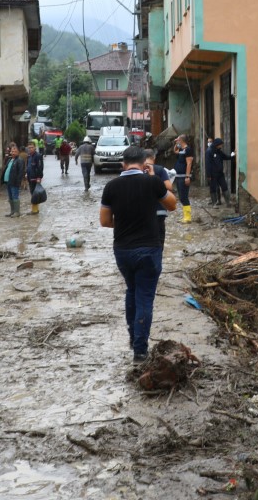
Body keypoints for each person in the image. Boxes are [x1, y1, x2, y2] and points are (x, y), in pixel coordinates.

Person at [100, 145, 177, 363]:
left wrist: (125, 223)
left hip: (122, 250)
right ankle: (140, 350)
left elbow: (105, 221)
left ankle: (134, 338)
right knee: (145, 297)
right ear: (144, 164)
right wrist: (153, 177)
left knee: (132, 290)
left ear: (123, 164)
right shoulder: (152, 182)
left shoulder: (111, 186)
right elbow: (172, 205)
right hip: (149, 249)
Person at [144, 149, 174, 237]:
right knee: (158, 240)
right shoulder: (160, 169)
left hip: (143, 212)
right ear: (154, 158)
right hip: (159, 211)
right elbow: (169, 187)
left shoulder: (140, 170)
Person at [172, 135, 195, 223]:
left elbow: (189, 164)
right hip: (178, 176)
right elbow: (175, 151)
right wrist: (176, 144)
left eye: (178, 139)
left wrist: (187, 177)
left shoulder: (188, 150)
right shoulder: (181, 149)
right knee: (181, 197)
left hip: (184, 176)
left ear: (181, 140)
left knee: (184, 197)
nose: (176, 140)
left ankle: (188, 218)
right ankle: (185, 216)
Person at [207, 136, 234, 206]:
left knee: (224, 187)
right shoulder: (209, 151)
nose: (221, 146)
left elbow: (225, 156)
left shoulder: (219, 151)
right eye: (221, 144)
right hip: (213, 174)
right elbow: (208, 164)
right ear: (217, 144)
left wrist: (232, 156)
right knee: (213, 188)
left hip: (220, 173)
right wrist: (209, 175)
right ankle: (214, 203)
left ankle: (228, 202)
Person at [2, 142, 24, 217]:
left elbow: (21, 172)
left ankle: (17, 212)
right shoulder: (10, 159)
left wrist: (18, 182)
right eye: (12, 151)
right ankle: (12, 211)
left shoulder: (19, 160)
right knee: (10, 197)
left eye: (15, 151)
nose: (13, 153)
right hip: (8, 181)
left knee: (15, 196)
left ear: (18, 152)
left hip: (14, 182)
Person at [25, 142, 44, 214]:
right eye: (29, 147)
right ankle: (34, 209)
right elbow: (28, 166)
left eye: (32, 147)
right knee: (32, 193)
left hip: (35, 178)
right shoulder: (29, 156)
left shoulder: (38, 156)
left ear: (35, 148)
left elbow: (40, 167)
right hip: (30, 177)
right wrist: (26, 174)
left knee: (35, 194)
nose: (30, 149)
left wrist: (39, 177)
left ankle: (35, 210)